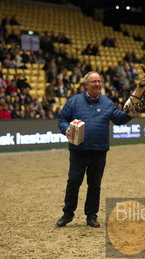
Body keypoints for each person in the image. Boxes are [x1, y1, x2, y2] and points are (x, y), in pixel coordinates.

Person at [56, 71, 133, 228]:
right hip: (78, 151)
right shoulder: (74, 101)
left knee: (95, 185)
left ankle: (91, 216)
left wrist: (131, 111)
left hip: (99, 151)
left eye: (99, 81)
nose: (97, 84)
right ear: (86, 85)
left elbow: (119, 119)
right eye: (93, 82)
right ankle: (68, 213)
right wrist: (66, 130)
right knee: (73, 182)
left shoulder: (107, 103)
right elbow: (62, 119)